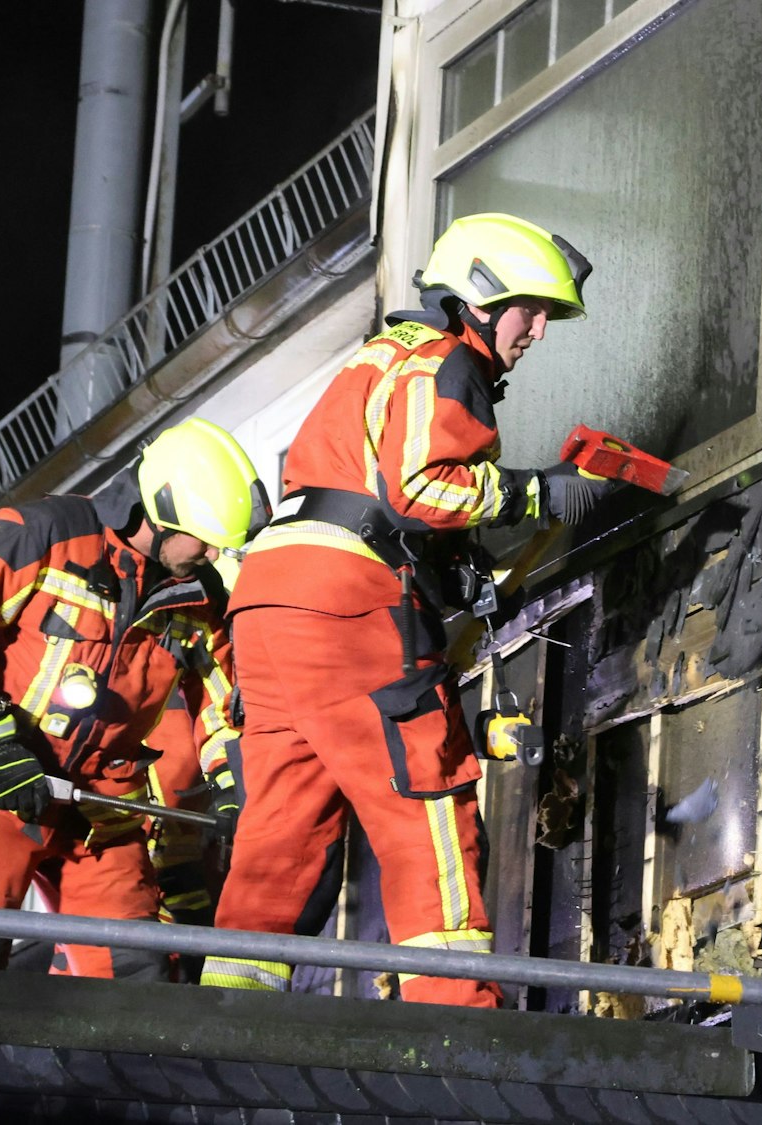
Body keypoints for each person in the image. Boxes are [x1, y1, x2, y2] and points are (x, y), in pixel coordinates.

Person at [200, 213, 609, 1007]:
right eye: (530, 312)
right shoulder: (447, 361)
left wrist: (458, 573)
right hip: (346, 601)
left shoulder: (381, 360)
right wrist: (537, 491)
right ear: (480, 298)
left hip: (270, 601)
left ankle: (224, 1017)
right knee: (427, 796)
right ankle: (456, 1020)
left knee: (281, 825)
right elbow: (416, 489)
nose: (537, 333)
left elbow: (372, 491)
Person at [0, 417, 263, 979]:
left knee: (135, 978)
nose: (213, 552)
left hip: (104, 809)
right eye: (203, 536)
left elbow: (224, 708)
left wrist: (234, 790)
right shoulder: (42, 533)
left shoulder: (200, 599)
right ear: (160, 511)